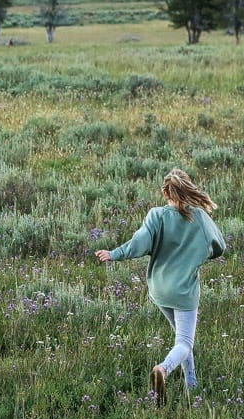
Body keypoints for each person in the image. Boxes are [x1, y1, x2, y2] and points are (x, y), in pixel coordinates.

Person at [95, 168, 225, 406]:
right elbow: (219, 247)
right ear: (188, 188)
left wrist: (113, 254)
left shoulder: (156, 215)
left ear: (165, 191)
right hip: (184, 291)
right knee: (184, 343)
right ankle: (163, 370)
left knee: (183, 340)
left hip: (159, 290)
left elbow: (138, 244)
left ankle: (192, 386)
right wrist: (197, 256)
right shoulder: (201, 218)